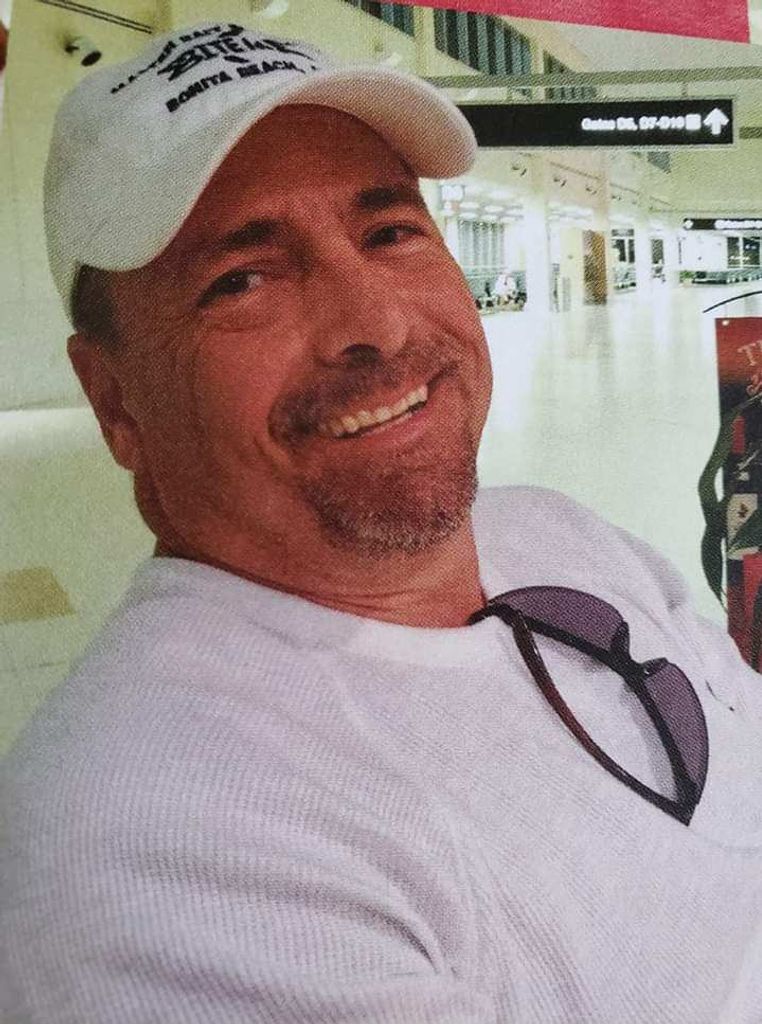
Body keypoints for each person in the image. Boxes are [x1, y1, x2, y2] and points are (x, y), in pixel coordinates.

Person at [3, 21, 762, 1024]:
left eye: (390, 232)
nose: (378, 323)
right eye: (242, 280)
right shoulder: (157, 850)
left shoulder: (554, 532)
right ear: (113, 400)